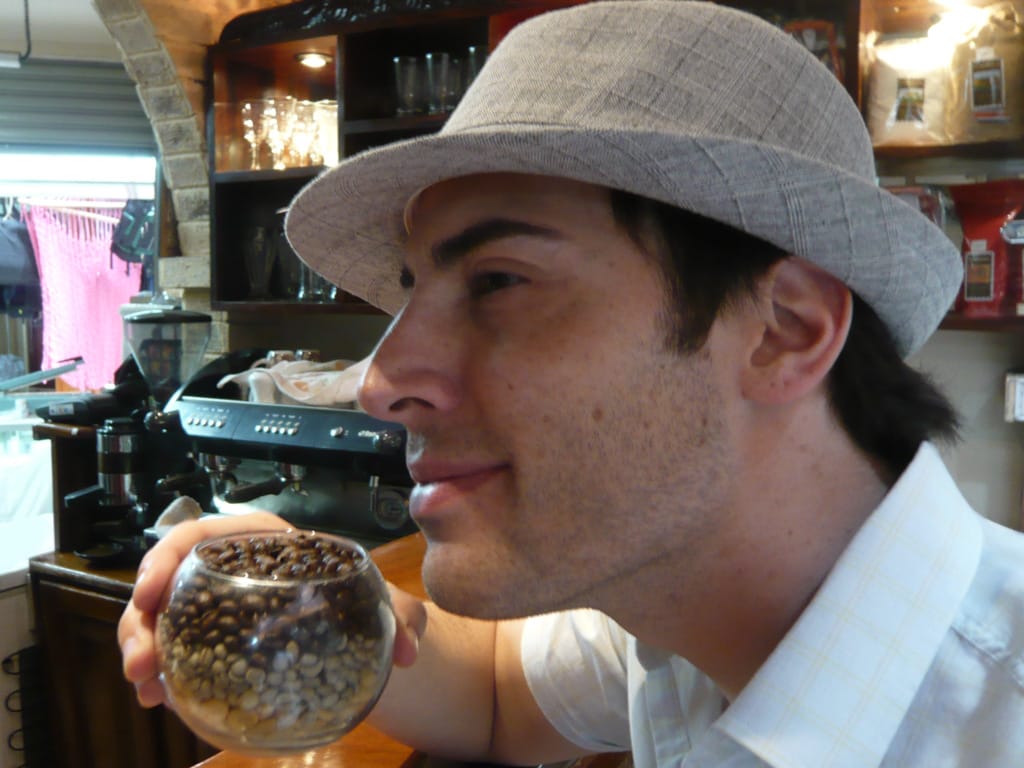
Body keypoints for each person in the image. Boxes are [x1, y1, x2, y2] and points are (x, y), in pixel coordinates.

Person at [119, 2, 1024, 766]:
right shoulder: (674, 593)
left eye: (499, 282)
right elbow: (495, 697)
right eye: (411, 293)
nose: (381, 383)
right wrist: (329, 593)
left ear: (784, 330)